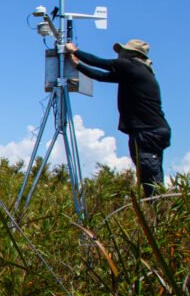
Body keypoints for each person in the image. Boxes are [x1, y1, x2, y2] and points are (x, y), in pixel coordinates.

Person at [65, 39, 170, 197]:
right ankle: (157, 212)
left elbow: (99, 63)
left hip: (146, 132)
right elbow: (102, 76)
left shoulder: (131, 65)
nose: (119, 54)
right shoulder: (138, 71)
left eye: (122, 51)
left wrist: (74, 50)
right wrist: (77, 65)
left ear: (132, 54)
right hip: (153, 131)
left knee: (150, 179)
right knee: (151, 175)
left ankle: (157, 213)